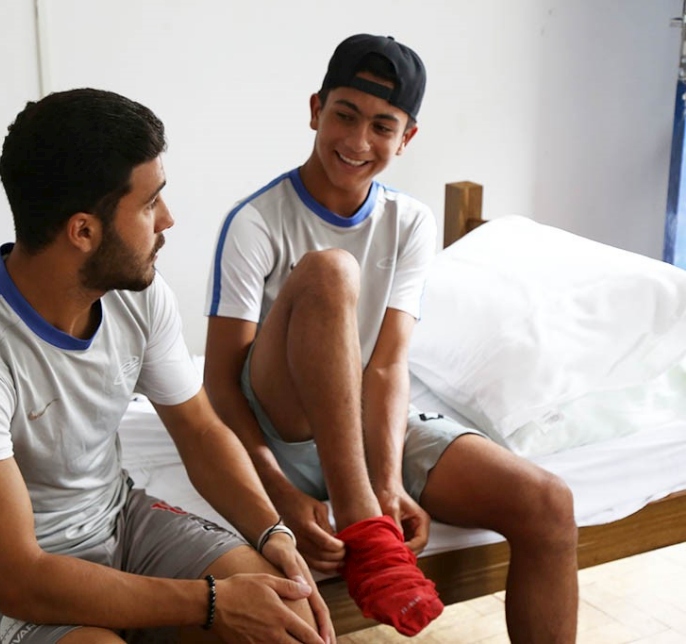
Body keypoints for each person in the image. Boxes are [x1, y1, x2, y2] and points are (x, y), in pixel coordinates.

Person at [0, 88, 336, 644]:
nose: (168, 221)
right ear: (83, 230)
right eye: (151, 204)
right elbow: (19, 579)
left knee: (283, 618)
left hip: (121, 522)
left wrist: (271, 531)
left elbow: (199, 430)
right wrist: (212, 602)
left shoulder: (139, 294)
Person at [203, 34, 579, 641]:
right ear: (314, 110)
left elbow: (385, 368)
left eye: (382, 126)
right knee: (331, 272)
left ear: (406, 138)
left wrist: (389, 483)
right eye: (344, 115)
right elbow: (219, 384)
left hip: (370, 424)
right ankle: (365, 526)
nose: (356, 142)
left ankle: (366, 507)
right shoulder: (256, 221)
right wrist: (277, 493)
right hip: (283, 421)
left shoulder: (411, 221)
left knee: (549, 504)